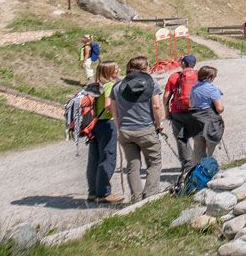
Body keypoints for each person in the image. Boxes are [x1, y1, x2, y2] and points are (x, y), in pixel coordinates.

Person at [111, 56, 165, 202]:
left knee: (132, 165)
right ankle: (150, 195)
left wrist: (119, 126)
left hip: (125, 131)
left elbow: (113, 110)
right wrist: (159, 124)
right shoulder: (151, 83)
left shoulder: (117, 86)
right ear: (145, 68)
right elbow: (156, 106)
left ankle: (136, 197)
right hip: (146, 128)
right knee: (154, 162)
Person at [86, 61, 122, 203]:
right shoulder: (109, 86)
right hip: (107, 122)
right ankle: (104, 193)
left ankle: (93, 192)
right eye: (116, 68)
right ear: (110, 72)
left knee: (94, 159)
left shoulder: (94, 86)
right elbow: (108, 105)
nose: (119, 69)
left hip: (94, 123)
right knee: (108, 157)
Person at [164, 54, 202, 170]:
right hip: (196, 110)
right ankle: (201, 163)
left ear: (183, 63)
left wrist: (167, 112)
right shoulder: (199, 75)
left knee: (182, 138)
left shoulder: (174, 76)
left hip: (178, 111)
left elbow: (166, 96)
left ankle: (188, 166)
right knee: (199, 136)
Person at [189, 66, 226, 160]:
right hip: (210, 121)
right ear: (209, 77)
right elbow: (219, 108)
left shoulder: (194, 88)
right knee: (213, 146)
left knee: (198, 149)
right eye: (214, 76)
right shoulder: (212, 89)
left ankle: (197, 171)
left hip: (196, 120)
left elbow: (191, 104)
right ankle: (214, 170)